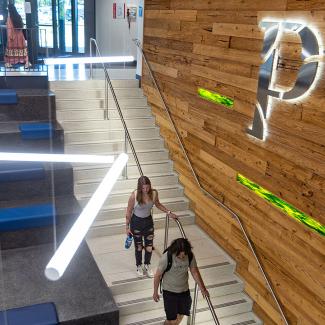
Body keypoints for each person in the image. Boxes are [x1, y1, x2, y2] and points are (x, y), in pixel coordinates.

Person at [126, 175, 178, 277]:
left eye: (147, 187)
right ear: (140, 187)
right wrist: (127, 227)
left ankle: (147, 265)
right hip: (136, 222)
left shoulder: (154, 193)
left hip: (148, 222)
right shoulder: (134, 195)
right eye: (143, 188)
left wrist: (169, 212)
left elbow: (158, 204)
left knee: (149, 247)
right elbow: (128, 211)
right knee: (139, 247)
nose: (146, 190)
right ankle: (139, 265)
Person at [153, 238, 209, 325]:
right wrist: (155, 292)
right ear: (174, 251)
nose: (182, 258)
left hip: (184, 291)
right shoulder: (166, 257)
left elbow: (194, 272)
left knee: (181, 315)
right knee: (171, 320)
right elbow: (157, 276)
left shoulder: (190, 255)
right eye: (179, 256)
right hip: (169, 292)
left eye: (184, 256)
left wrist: (203, 289)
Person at [5, 4, 30, 68]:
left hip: (13, 37)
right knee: (22, 49)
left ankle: (9, 62)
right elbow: (22, 25)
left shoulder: (9, 19)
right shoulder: (19, 16)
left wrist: (9, 37)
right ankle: (26, 62)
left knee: (11, 50)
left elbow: (9, 29)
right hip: (20, 37)